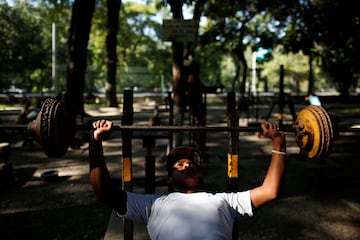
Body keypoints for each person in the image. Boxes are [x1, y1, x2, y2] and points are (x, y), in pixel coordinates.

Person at [89, 119, 286, 240]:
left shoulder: (225, 201)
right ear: (170, 179)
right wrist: (95, 141)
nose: (187, 165)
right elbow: (104, 193)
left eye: (190, 163)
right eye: (179, 164)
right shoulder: (153, 204)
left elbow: (270, 191)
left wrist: (278, 142)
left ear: (199, 177)